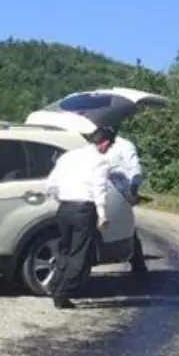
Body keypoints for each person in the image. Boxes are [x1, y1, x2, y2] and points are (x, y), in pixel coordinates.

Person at [44, 126, 115, 309]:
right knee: (79, 254)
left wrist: (60, 198)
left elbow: (51, 184)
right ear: (105, 143)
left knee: (65, 250)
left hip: (64, 207)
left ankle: (54, 284)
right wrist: (102, 215)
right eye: (110, 145)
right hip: (84, 209)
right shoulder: (100, 161)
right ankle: (63, 293)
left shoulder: (68, 156)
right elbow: (99, 189)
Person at [106, 131, 147, 273]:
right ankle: (137, 261)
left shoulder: (123, 145)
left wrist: (133, 191)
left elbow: (134, 168)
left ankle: (137, 261)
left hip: (119, 188)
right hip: (102, 186)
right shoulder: (93, 145)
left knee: (124, 224)